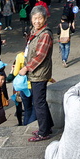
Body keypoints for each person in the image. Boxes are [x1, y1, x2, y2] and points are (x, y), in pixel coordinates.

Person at [18, 8, 54, 142]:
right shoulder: (35, 32)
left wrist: (27, 68)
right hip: (36, 72)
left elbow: (40, 55)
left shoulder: (44, 34)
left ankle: (43, 132)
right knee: (40, 101)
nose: (37, 21)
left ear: (45, 19)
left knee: (38, 102)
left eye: (40, 18)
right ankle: (47, 126)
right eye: (35, 18)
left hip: (39, 72)